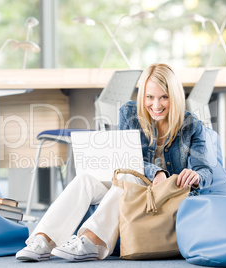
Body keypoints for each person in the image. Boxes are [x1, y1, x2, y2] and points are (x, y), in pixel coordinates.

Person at [16, 63, 213, 262]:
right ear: (142, 96)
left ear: (175, 97)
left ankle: (91, 241)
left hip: (163, 197)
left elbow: (205, 170)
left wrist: (197, 176)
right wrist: (156, 172)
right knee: (86, 179)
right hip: (134, 188)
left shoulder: (192, 125)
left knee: (127, 176)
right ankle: (43, 240)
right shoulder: (129, 113)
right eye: (149, 97)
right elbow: (128, 159)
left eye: (164, 97)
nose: (156, 105)